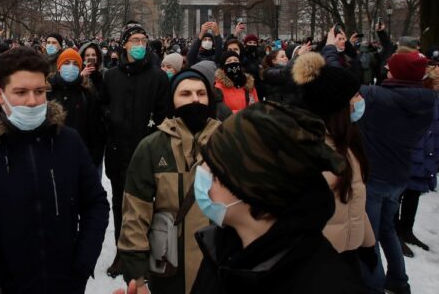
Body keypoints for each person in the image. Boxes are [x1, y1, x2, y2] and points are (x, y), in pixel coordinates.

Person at [0, 46, 109, 293]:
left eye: (40, 91)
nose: (32, 101)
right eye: (21, 92)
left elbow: (96, 203)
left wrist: (82, 262)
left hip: (65, 284)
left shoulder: (68, 142)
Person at [191, 102, 364, 293]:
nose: (203, 183)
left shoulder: (326, 283)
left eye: (215, 175)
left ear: (252, 192)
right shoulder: (222, 251)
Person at [325, 46, 435, 294]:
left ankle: (373, 286)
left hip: (375, 178)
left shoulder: (378, 97)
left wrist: (331, 49)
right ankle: (398, 279)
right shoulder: (426, 100)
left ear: (397, 73)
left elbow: (338, 78)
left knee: (369, 235)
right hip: (398, 177)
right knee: (387, 228)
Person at [117, 69, 220, 294]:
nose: (195, 99)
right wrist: (138, 277)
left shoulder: (228, 143)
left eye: (201, 93)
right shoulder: (152, 148)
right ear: (172, 101)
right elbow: (135, 216)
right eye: (186, 93)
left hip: (218, 270)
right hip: (168, 270)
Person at [291, 52, 375, 271]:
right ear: (337, 106)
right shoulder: (309, 152)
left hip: (349, 253)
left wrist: (367, 243)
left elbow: (354, 200)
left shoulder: (349, 142)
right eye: (355, 95)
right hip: (320, 262)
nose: (360, 100)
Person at [101, 22, 171, 276]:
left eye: (144, 40)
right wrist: (113, 119)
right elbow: (103, 109)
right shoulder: (111, 76)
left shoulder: (158, 77)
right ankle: (123, 252)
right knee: (120, 204)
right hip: (119, 152)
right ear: (124, 45)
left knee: (150, 204)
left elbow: (164, 115)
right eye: (135, 41)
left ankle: (151, 250)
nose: (140, 45)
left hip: (149, 152)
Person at [396, 60, 439, 255]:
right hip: (412, 151)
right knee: (399, 194)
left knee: (414, 194)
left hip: (427, 151)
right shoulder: (420, 96)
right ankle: (394, 232)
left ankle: (407, 230)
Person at [47, 47, 105, 169]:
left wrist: (93, 160)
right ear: (59, 67)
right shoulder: (48, 91)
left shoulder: (87, 94)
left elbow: (95, 131)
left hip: (79, 159)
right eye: (67, 63)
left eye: (75, 64)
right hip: (51, 159)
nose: (71, 67)